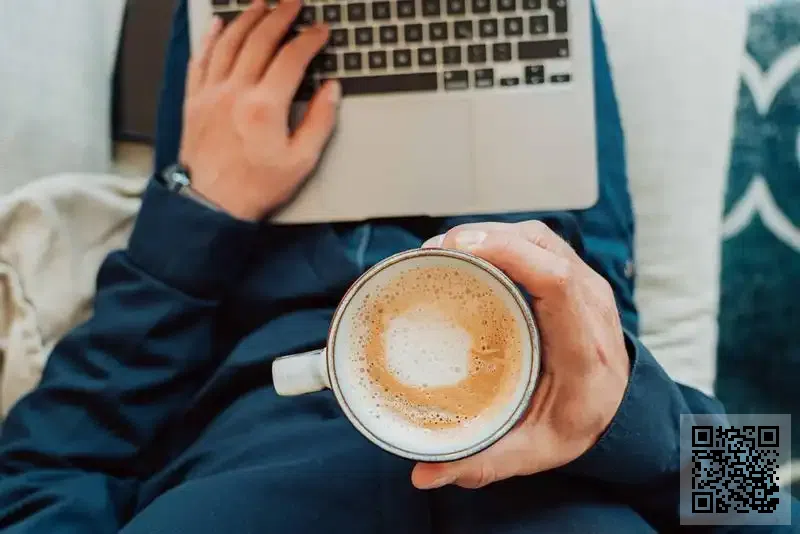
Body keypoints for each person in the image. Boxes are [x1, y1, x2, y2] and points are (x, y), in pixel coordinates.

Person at [1, 2, 796, 532]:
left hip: (237, 250)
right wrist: (637, 420)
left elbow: (34, 483)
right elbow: (770, 503)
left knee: (255, 31)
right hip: (543, 302)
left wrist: (193, 216)